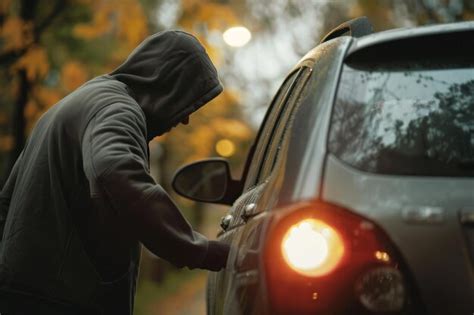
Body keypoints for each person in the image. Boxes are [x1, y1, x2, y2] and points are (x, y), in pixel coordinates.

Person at [0, 30, 229, 315]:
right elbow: (113, 171)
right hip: (64, 300)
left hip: (24, 293)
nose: (185, 118)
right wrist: (199, 250)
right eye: (186, 99)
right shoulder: (117, 109)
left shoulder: (80, 102)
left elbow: (7, 202)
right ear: (165, 82)